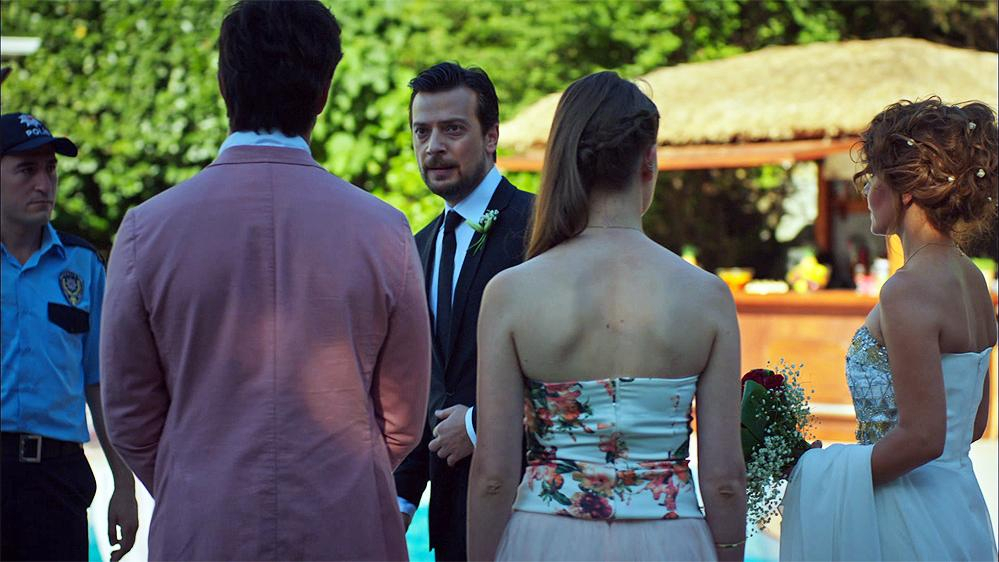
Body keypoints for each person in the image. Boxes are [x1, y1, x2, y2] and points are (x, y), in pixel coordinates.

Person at [99, 2, 430, 560]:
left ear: (223, 85)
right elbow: (402, 418)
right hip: (344, 526)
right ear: (323, 93)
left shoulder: (147, 229)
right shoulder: (383, 230)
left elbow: (129, 414)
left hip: (203, 526)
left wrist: (199, 479)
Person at [467, 71, 747, 562]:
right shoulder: (708, 296)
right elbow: (724, 478)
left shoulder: (511, 293)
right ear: (649, 161)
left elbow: (493, 474)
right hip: (672, 541)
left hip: (547, 539)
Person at [780, 98, 998, 560]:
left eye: (871, 179)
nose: (866, 194)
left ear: (905, 191)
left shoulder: (906, 289)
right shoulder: (973, 280)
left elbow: (923, 438)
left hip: (903, 519)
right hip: (959, 509)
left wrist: (816, 470)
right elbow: (973, 424)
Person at [392, 62, 534, 561]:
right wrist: (399, 500)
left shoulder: (542, 226)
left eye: (452, 129)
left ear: (491, 136)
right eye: (421, 132)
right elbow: (428, 388)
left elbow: (579, 366)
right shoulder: (417, 246)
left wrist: (479, 426)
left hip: (535, 511)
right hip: (451, 524)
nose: (433, 146)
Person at [1, 112, 138, 562]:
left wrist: (124, 484)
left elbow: (100, 383)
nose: (44, 184)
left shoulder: (82, 266)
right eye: (26, 170)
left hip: (57, 478)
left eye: (50, 169)